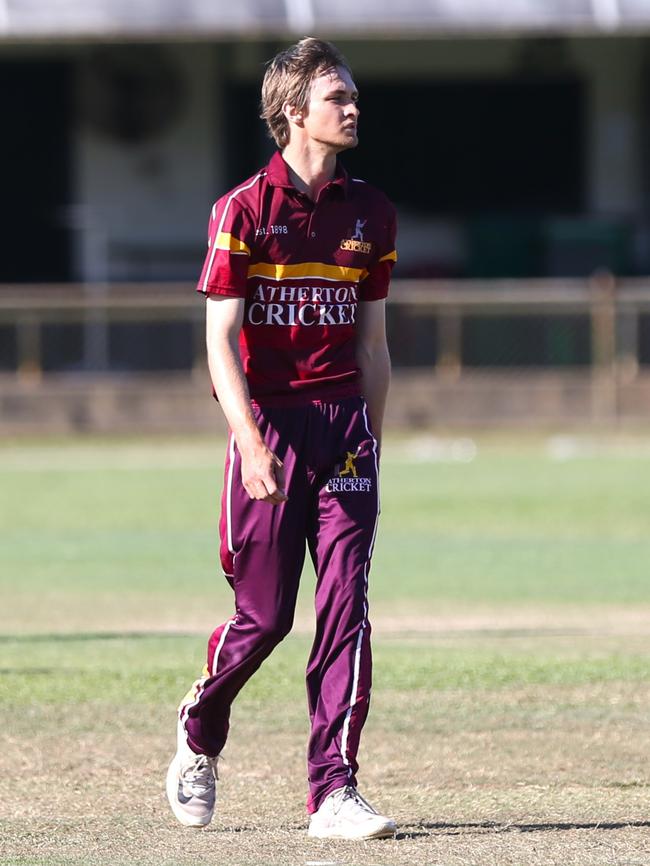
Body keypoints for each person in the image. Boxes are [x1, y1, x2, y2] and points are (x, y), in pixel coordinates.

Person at [166, 36, 397, 841]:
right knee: (264, 618)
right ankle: (199, 731)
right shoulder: (243, 210)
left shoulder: (371, 212)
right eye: (339, 97)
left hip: (344, 434)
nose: (354, 106)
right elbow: (220, 342)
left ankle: (334, 790)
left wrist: (373, 439)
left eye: (353, 94)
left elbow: (372, 345)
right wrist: (250, 440)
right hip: (267, 429)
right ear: (294, 113)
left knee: (345, 610)